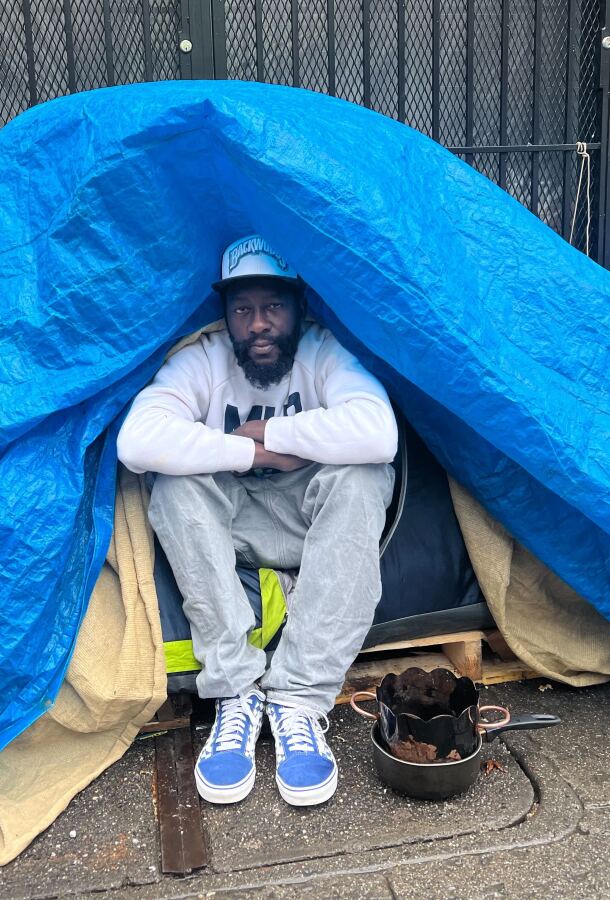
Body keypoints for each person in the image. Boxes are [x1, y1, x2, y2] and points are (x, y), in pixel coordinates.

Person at [117, 234, 398, 806]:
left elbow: (379, 432)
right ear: (225, 316)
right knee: (173, 485)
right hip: (234, 518)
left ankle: (298, 699)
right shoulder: (204, 358)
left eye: (273, 306)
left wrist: (274, 431)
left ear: (298, 308)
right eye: (242, 310)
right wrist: (252, 453)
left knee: (365, 474)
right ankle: (237, 692)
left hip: (307, 516)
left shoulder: (322, 351)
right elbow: (137, 441)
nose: (259, 324)